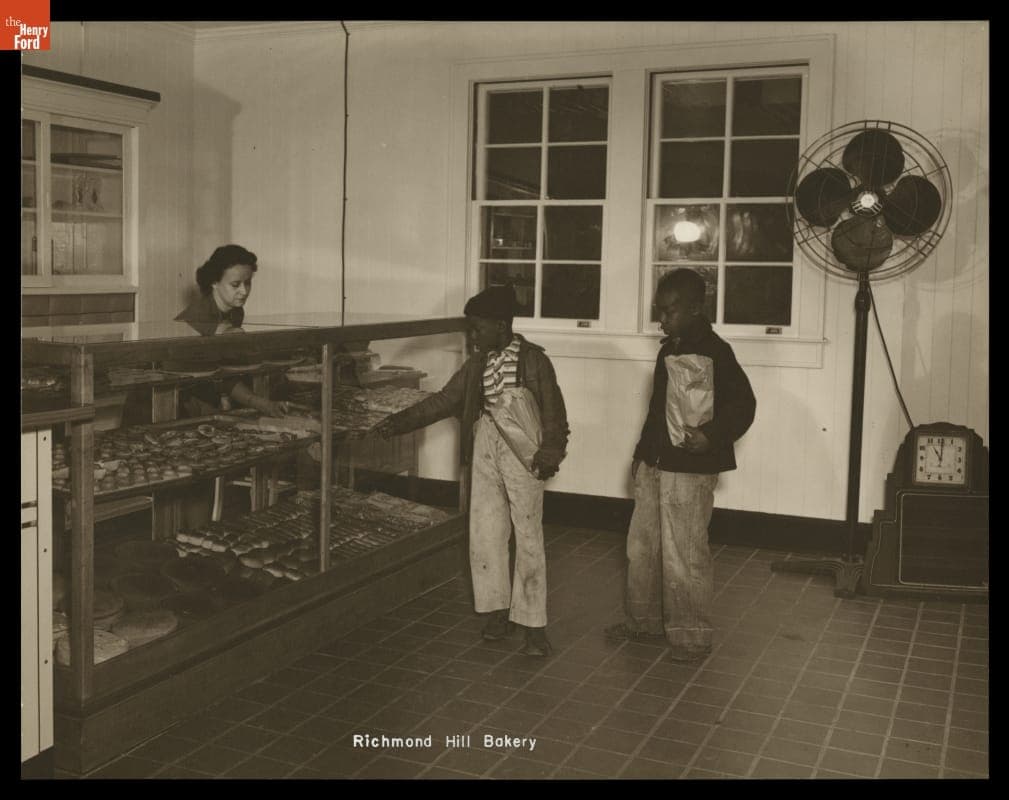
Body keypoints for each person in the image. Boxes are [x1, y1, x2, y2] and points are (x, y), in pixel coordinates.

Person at [376, 285, 569, 657]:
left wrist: (550, 453)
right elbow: (445, 400)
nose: (473, 336)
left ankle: (533, 625)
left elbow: (554, 414)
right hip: (484, 444)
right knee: (485, 531)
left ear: (501, 325)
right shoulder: (478, 363)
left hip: (523, 451)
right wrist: (397, 422)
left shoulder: (534, 361)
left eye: (478, 329)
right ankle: (497, 611)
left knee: (528, 536)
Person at [605, 269, 755, 663]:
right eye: (660, 311)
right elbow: (656, 413)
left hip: (689, 472)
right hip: (655, 466)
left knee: (683, 554)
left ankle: (692, 637)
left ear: (695, 308)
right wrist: (640, 456)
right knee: (642, 547)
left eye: (671, 311)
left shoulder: (717, 352)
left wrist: (712, 435)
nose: (663, 319)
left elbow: (744, 405)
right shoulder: (668, 349)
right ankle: (643, 621)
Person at [174, 244, 302, 418]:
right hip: (174, 405)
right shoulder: (198, 317)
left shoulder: (235, 312)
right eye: (235, 284)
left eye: (247, 282)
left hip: (202, 397)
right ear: (214, 282)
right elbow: (214, 376)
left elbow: (225, 373)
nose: (244, 291)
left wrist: (264, 404)